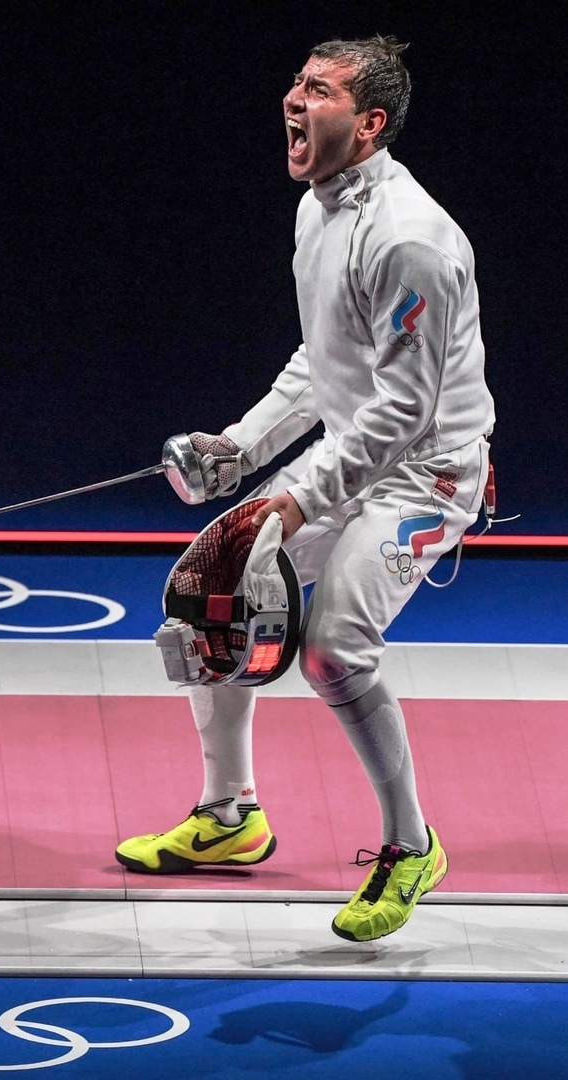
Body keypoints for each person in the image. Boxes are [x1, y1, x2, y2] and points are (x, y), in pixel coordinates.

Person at [115, 35, 495, 942]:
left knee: (332, 651)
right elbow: (324, 363)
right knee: (211, 596)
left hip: (424, 480)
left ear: (368, 124)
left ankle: (412, 847)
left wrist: (289, 499)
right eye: (296, 81)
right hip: (356, 457)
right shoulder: (319, 211)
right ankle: (229, 817)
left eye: (318, 90)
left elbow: (400, 415)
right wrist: (239, 447)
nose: (293, 98)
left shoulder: (410, 240)